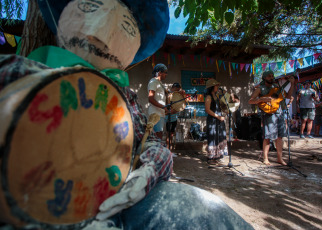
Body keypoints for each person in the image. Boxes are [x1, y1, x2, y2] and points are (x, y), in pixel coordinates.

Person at [0, 0, 252, 229]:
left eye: (125, 25)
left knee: (206, 209)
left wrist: (149, 169)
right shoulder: (17, 72)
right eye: (91, 7)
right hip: (34, 208)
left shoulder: (125, 97)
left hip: (115, 203)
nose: (103, 27)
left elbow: (149, 141)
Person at [249, 70, 295, 165]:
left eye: (272, 76)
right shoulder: (260, 89)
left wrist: (292, 84)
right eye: (269, 76)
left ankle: (279, 158)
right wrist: (262, 99)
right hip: (268, 114)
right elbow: (251, 101)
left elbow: (289, 96)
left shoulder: (277, 87)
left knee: (280, 137)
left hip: (280, 113)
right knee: (267, 137)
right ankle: (265, 158)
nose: (272, 77)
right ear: (265, 78)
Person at [204, 79, 228, 165]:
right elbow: (207, 110)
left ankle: (217, 156)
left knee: (219, 137)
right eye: (216, 85)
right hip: (213, 120)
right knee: (213, 137)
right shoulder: (208, 97)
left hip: (219, 119)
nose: (218, 87)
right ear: (212, 87)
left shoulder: (217, 96)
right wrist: (217, 116)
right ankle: (211, 158)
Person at [147, 63, 169, 140]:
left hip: (160, 114)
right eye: (165, 72)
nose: (166, 74)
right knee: (157, 138)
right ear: (160, 73)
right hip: (156, 114)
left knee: (159, 137)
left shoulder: (159, 83)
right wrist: (163, 107)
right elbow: (150, 98)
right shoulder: (153, 82)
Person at [165, 82, 183, 150]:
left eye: (178, 90)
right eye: (177, 89)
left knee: (172, 134)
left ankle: (170, 149)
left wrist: (176, 111)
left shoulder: (178, 95)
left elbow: (180, 106)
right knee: (168, 134)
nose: (177, 91)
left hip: (174, 117)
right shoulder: (167, 94)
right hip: (168, 117)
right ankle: (167, 149)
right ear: (173, 88)